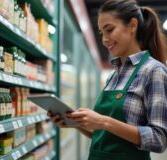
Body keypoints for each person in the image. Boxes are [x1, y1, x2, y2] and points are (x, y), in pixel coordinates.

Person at [48, 0, 167, 159]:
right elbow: (106, 136)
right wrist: (74, 123)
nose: (104, 39)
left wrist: (103, 121)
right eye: (101, 33)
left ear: (132, 25)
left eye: (109, 30)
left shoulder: (154, 71)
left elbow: (159, 139)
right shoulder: (114, 75)